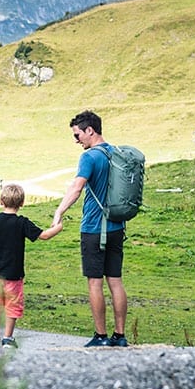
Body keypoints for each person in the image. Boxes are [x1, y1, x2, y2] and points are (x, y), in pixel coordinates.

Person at [52, 110, 129, 347]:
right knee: (115, 281)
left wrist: (59, 211)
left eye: (77, 135)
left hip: (95, 228)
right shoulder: (116, 152)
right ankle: (120, 335)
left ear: (90, 130)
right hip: (117, 226)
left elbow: (77, 188)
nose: (77, 141)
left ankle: (101, 336)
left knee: (95, 282)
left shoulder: (89, 158)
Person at [0, 183, 63, 349]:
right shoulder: (22, 223)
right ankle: (8, 338)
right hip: (14, 274)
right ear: (22, 203)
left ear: (1, 201)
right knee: (13, 306)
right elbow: (44, 236)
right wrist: (58, 227)